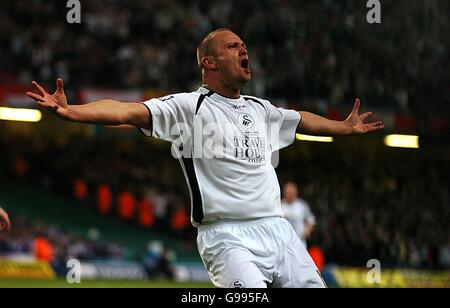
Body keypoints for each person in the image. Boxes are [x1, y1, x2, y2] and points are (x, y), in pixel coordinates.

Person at [26, 28, 384, 288]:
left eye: (245, 45)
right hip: (227, 236)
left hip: (279, 231)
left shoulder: (261, 109)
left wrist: (343, 128)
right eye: (234, 46)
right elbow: (127, 111)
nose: (245, 50)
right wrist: (72, 110)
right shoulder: (188, 107)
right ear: (209, 62)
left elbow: (301, 119)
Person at [281, 182, 316, 249]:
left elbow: (311, 219)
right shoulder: (280, 205)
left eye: (291, 193)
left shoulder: (302, 205)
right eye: (287, 193)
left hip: (300, 241)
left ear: (295, 193)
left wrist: (308, 230)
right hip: (285, 243)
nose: (289, 195)